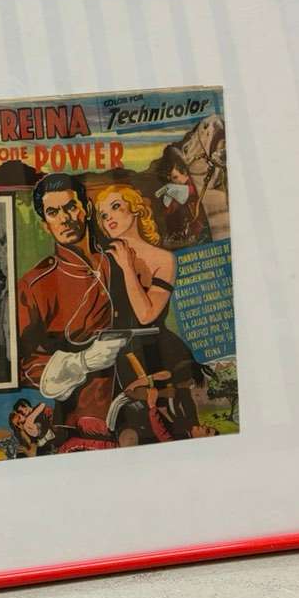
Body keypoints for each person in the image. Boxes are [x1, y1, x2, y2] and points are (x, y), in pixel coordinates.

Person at [16, 173, 129, 452]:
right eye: (53, 212)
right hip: (84, 423)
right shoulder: (34, 284)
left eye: (70, 207)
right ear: (45, 224)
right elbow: (25, 364)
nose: (64, 219)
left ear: (86, 209)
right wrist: (81, 362)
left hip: (141, 403)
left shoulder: (120, 260)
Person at [95, 183, 214, 442]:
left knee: (173, 424)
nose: (109, 217)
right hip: (115, 351)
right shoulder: (102, 259)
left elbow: (146, 315)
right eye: (103, 215)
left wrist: (128, 268)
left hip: (157, 351)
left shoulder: (164, 259)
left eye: (115, 207)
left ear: (136, 210)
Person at [154, 146, 209, 248]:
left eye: (175, 177)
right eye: (171, 179)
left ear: (184, 171)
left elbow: (194, 193)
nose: (175, 182)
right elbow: (169, 210)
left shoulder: (193, 180)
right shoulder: (175, 187)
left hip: (200, 226)